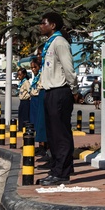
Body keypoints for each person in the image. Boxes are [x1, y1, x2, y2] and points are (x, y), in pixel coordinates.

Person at [37, 13, 76, 185]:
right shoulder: (50, 43)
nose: (40, 26)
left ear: (53, 25)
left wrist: (73, 89)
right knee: (53, 135)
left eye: (43, 23)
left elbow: (69, 69)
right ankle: (56, 169)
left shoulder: (60, 43)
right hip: (50, 92)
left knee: (61, 135)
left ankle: (62, 173)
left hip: (60, 91)